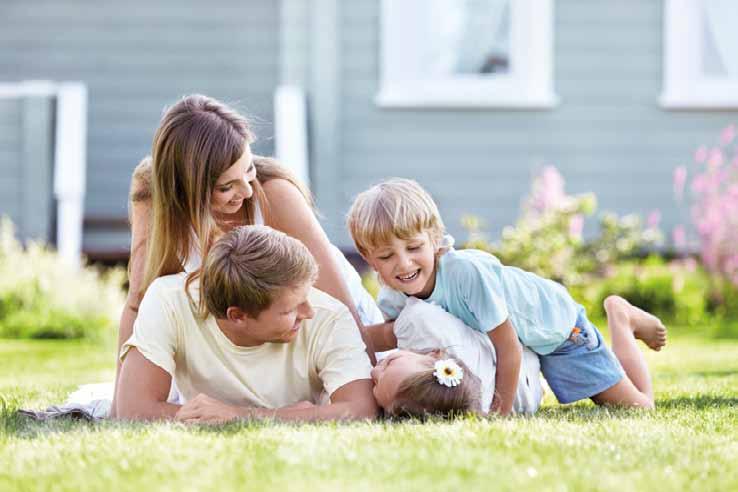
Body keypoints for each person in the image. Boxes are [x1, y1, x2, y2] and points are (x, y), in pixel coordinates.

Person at [114, 95, 382, 415]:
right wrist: (120, 400)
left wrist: (364, 384)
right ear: (187, 189)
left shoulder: (273, 194)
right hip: (250, 332)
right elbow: (137, 302)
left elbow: (337, 306)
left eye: (249, 169)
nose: (246, 191)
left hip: (324, 313)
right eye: (226, 186)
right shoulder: (151, 196)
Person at [347, 178, 667, 416]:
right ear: (368, 257)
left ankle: (621, 316)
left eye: (414, 248)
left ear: (434, 239)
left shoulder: (464, 273)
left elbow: (508, 347)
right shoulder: (394, 291)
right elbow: (386, 334)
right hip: (527, 340)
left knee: (637, 407)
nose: (403, 264)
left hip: (557, 328)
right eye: (387, 256)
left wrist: (500, 413)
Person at [116, 225, 378, 423]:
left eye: (306, 295)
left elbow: (361, 409)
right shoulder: (169, 299)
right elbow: (133, 409)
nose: (308, 311)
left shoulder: (329, 316)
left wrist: (240, 415)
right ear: (237, 316)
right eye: (289, 309)